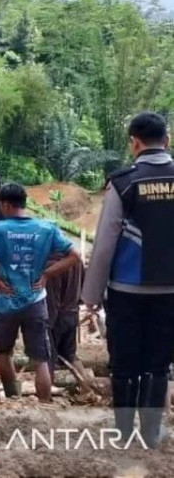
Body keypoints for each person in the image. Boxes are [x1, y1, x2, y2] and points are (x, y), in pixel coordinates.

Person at [82, 112, 174, 448]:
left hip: (126, 290)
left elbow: (105, 242)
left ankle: (123, 432)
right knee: (158, 361)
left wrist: (90, 294)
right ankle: (151, 434)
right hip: (170, 293)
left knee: (124, 361)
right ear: (167, 140)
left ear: (134, 143)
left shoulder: (123, 183)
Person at [0, 183, 80, 402]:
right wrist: (46, 275)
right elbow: (74, 256)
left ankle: (13, 399)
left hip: (6, 303)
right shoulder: (47, 228)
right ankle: (45, 405)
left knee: (4, 353)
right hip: (36, 302)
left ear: (6, 205)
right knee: (40, 360)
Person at [46, 257, 85, 376]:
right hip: (72, 313)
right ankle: (85, 385)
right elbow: (83, 287)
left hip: (57, 317)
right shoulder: (77, 261)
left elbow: (54, 298)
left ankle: (47, 393)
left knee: (49, 358)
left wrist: (48, 324)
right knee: (70, 356)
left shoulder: (53, 265)